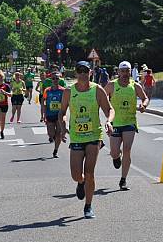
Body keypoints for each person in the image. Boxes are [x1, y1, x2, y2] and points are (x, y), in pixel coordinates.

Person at [58, 61, 114, 219]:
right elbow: (62, 112)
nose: (82, 73)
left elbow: (109, 109)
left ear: (90, 72)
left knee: (89, 173)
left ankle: (88, 206)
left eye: (85, 70)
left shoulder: (97, 90)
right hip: (76, 136)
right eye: (79, 70)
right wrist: (63, 127)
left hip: (93, 136)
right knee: (76, 174)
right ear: (75, 73)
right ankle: (80, 182)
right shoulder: (69, 91)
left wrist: (109, 121)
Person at [104, 61, 149, 191]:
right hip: (115, 123)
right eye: (122, 71)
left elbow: (145, 98)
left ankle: (123, 180)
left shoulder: (135, 86)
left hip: (129, 122)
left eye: (127, 71)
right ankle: (116, 157)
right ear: (118, 72)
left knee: (127, 149)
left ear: (130, 72)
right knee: (113, 152)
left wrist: (144, 105)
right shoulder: (112, 85)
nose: (125, 74)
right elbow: (101, 97)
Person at [43, 72, 66, 158]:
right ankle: (52, 137)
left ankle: (55, 150)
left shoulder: (63, 90)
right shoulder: (47, 90)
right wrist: (43, 115)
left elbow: (66, 102)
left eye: (57, 78)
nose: (55, 80)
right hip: (50, 114)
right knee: (51, 134)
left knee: (58, 134)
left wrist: (64, 113)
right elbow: (44, 102)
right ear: (51, 80)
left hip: (59, 114)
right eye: (53, 78)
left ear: (59, 79)